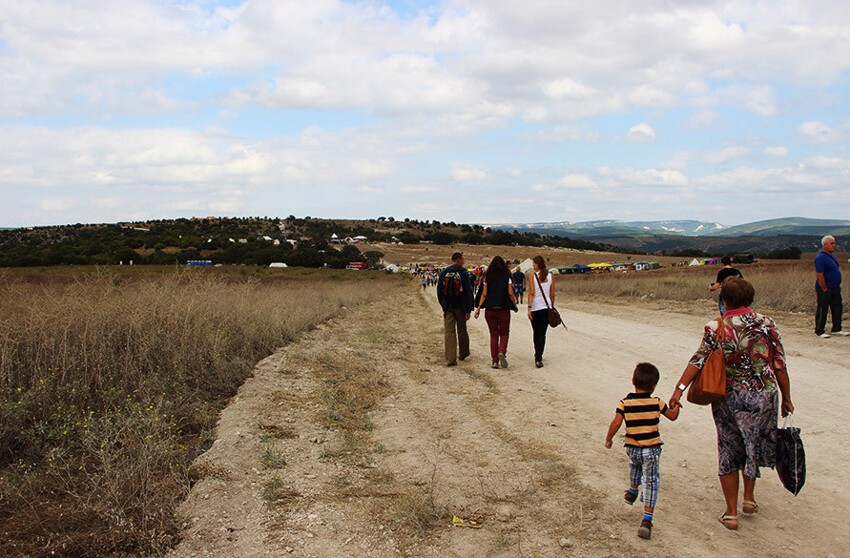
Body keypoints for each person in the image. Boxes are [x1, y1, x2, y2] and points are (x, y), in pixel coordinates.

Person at [668, 277, 793, 531]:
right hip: (765, 395)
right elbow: (779, 364)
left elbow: (698, 360)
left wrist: (678, 390)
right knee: (752, 443)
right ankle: (749, 499)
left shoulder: (717, 327)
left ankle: (731, 513)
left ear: (724, 301)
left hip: (729, 397)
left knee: (729, 447)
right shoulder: (767, 324)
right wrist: (787, 398)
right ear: (751, 299)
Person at [606, 362, 680, 540]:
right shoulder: (656, 402)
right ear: (654, 386)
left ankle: (632, 490)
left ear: (633, 381)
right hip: (651, 449)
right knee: (651, 480)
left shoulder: (625, 403)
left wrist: (609, 438)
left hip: (632, 448)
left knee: (635, 466)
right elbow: (672, 416)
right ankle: (647, 519)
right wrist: (676, 404)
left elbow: (616, 422)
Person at [474, 256, 519, 369]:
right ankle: (502, 351)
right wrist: (514, 304)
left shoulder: (487, 277)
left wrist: (479, 308)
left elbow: (484, 294)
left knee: (494, 335)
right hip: (503, 309)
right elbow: (510, 293)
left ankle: (494, 361)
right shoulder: (506, 277)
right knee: (504, 333)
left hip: (490, 310)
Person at [437, 252, 474, 366]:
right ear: (458, 260)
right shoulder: (463, 273)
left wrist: (443, 305)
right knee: (462, 330)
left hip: (448, 307)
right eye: (462, 260)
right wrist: (469, 309)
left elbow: (439, 291)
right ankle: (463, 352)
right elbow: (468, 292)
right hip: (461, 307)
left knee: (449, 332)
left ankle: (450, 358)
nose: (463, 262)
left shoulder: (444, 273)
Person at [814, 235, 848, 338]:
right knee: (823, 308)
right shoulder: (820, 257)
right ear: (825, 245)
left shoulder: (832, 256)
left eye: (834, 243)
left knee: (837, 307)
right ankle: (819, 330)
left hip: (835, 287)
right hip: (825, 287)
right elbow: (819, 274)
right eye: (831, 243)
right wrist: (824, 288)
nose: (834, 245)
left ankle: (837, 328)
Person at [527, 255, 555, 368]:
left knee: (536, 332)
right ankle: (539, 356)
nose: (533, 265)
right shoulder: (551, 276)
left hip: (535, 308)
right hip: (546, 307)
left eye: (534, 263)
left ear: (538, 264)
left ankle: (537, 354)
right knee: (542, 334)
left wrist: (529, 307)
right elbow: (552, 294)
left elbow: (532, 293)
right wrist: (551, 306)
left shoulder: (532, 276)